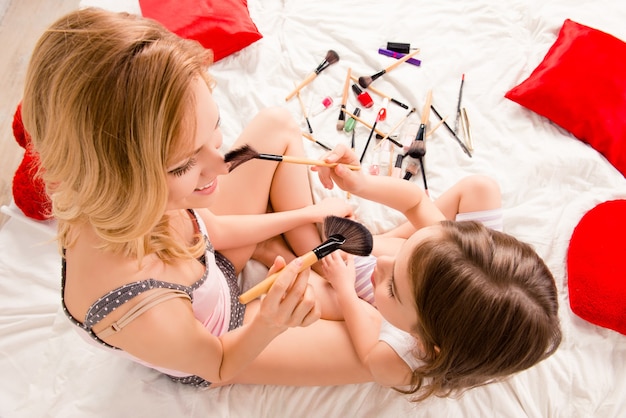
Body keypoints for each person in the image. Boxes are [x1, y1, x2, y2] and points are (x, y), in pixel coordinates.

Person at [21, 8, 372, 387]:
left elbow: (213, 231)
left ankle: (305, 253)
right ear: (119, 181)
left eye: (215, 130)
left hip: (212, 269)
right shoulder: (137, 304)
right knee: (387, 344)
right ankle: (287, 254)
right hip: (228, 339)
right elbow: (218, 365)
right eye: (184, 164)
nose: (223, 167)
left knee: (276, 124)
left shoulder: (143, 196)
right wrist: (270, 322)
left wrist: (309, 213)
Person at [313, 145, 562, 401]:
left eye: (393, 289)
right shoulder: (457, 260)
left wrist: (344, 289)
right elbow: (416, 201)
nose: (383, 261)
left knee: (329, 266)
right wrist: (362, 184)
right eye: (413, 247)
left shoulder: (398, 362)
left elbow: (368, 354)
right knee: (482, 188)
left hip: (369, 288)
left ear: (423, 342)